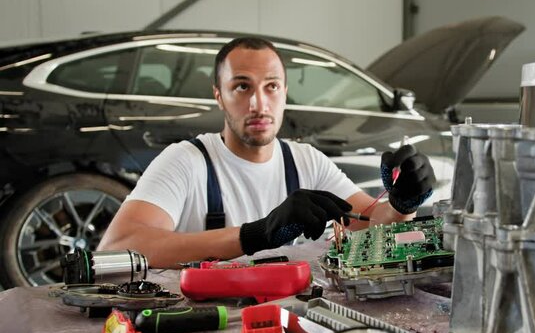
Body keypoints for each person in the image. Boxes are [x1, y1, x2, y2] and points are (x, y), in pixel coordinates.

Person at [97, 37, 435, 268]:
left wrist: (403, 205)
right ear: (219, 95)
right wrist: (256, 234)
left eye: (271, 86)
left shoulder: (306, 162)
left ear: (284, 93)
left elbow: (371, 224)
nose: (259, 103)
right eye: (242, 86)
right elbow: (119, 246)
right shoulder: (187, 161)